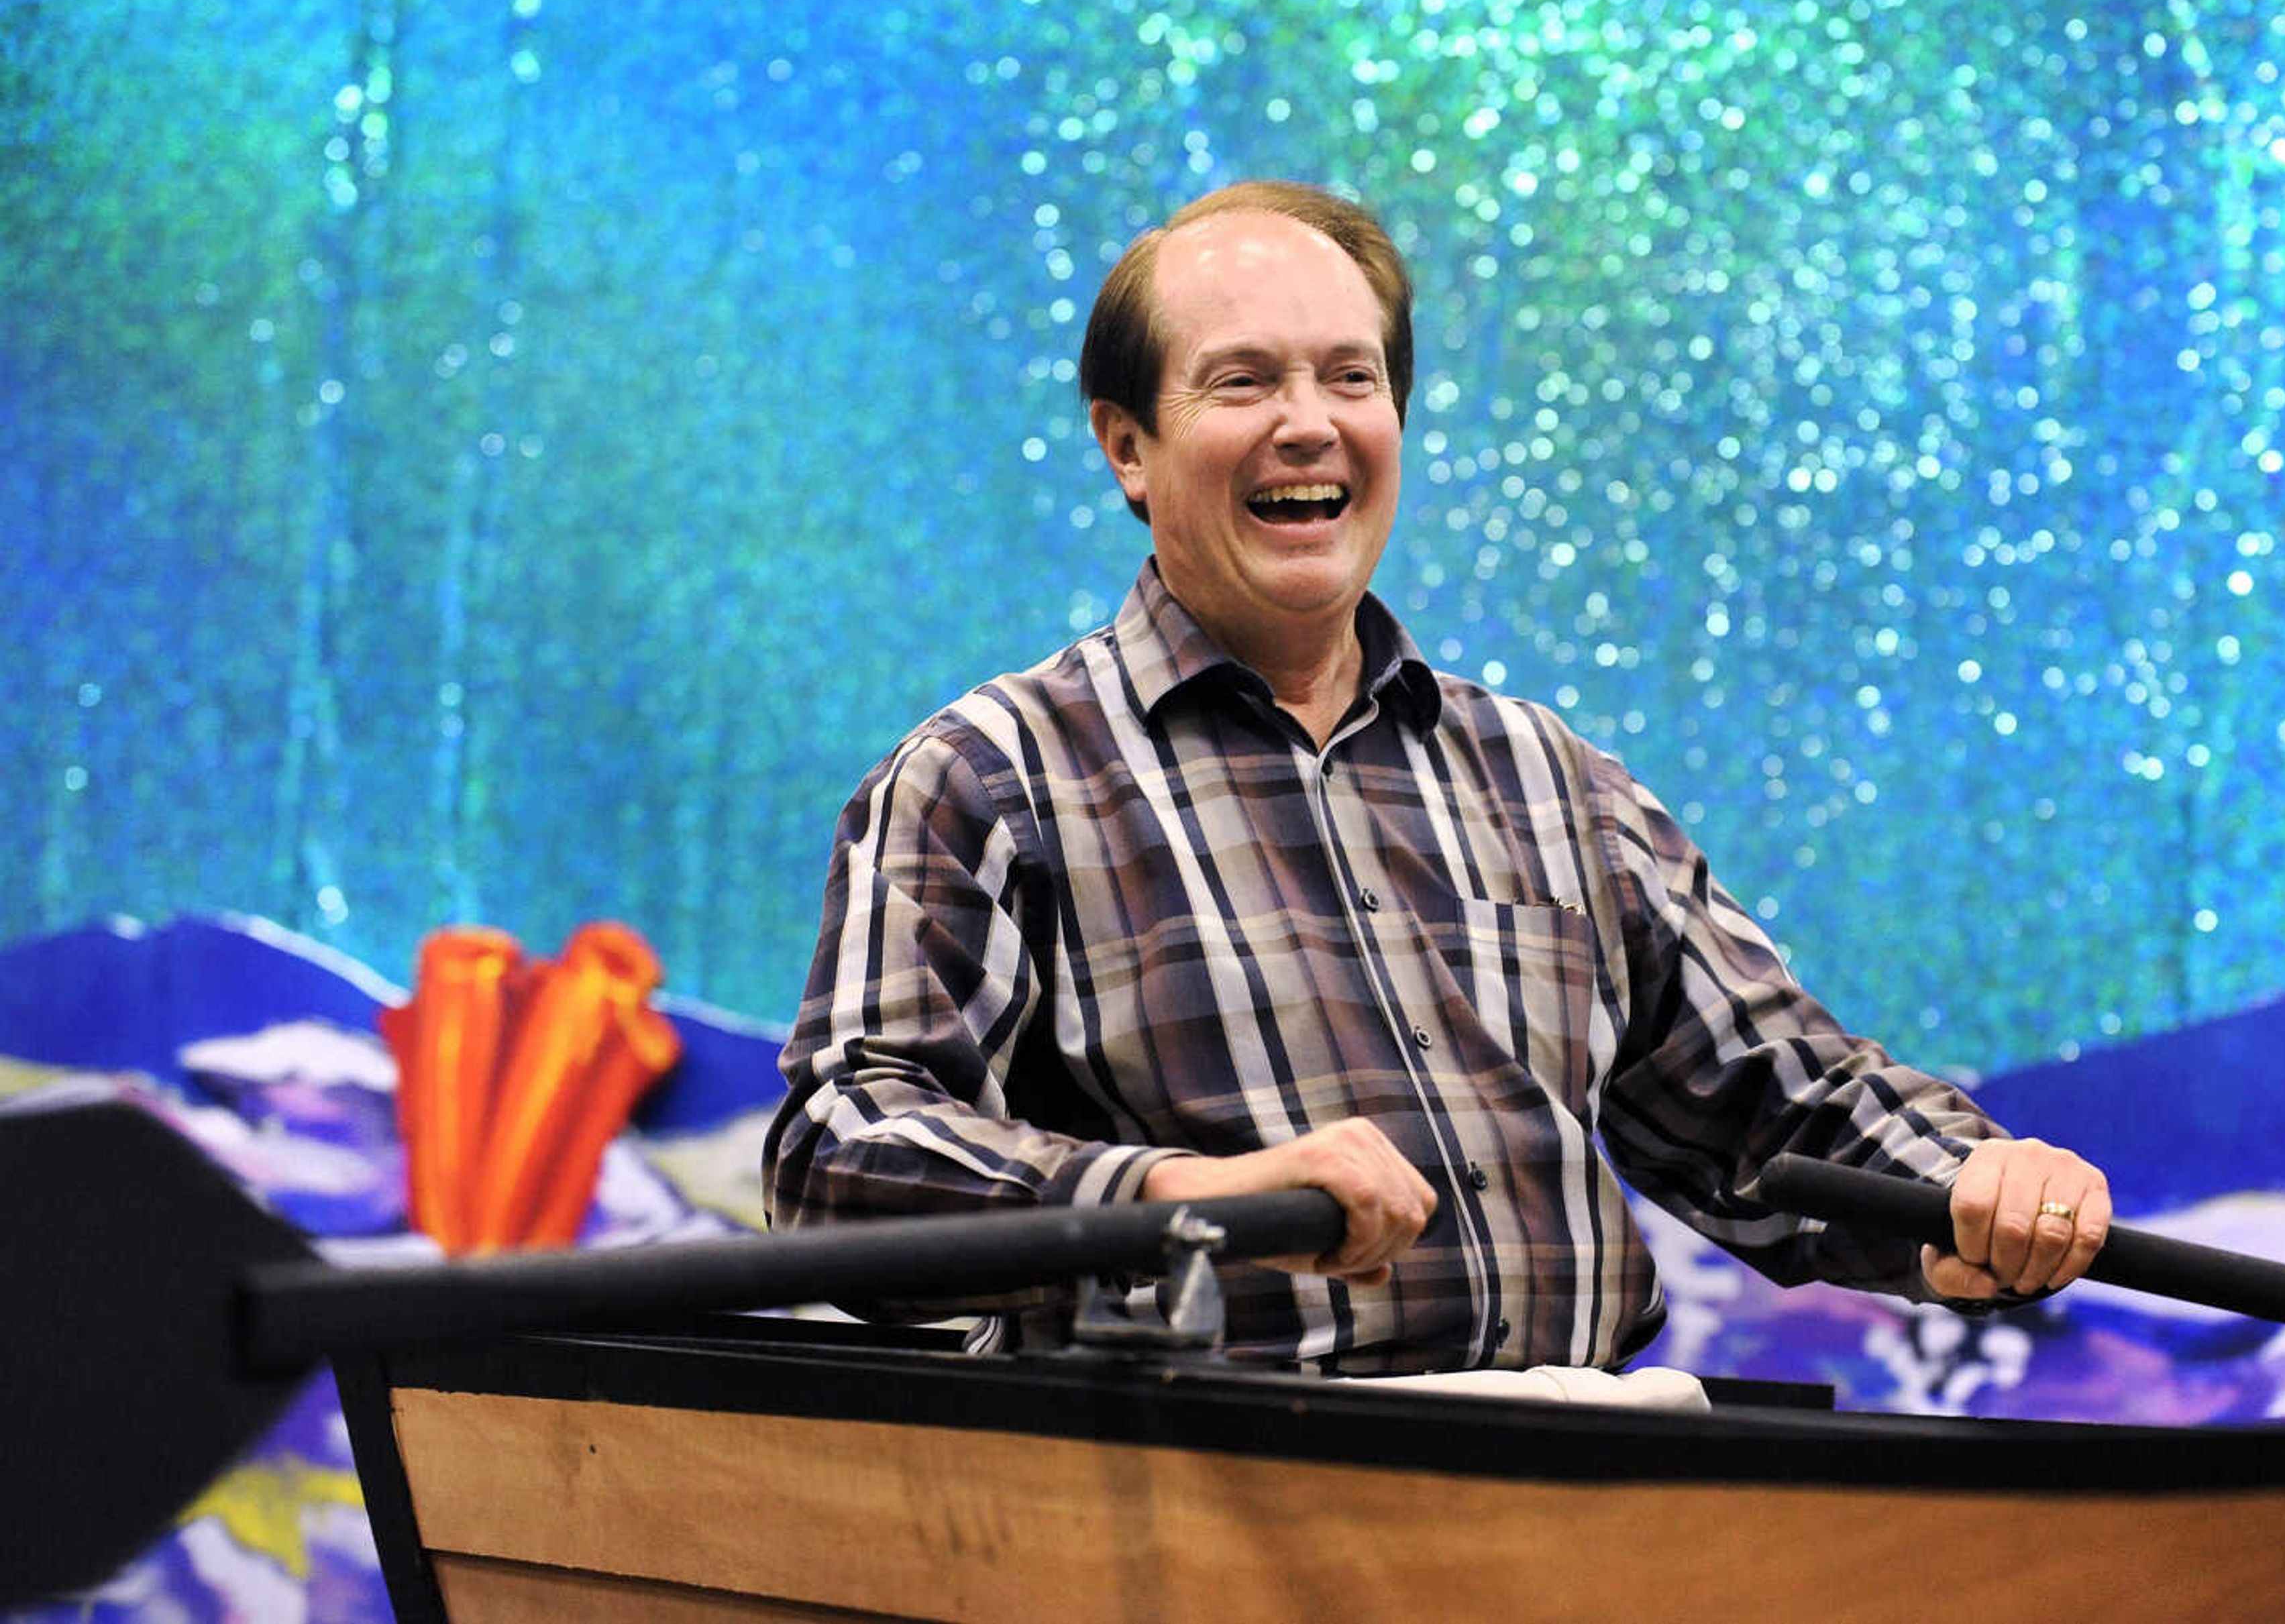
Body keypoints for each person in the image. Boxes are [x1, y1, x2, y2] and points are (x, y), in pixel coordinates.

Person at [763, 179, 2110, 1378]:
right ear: (1128, 446)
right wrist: (1181, 1195)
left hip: (1600, 1510)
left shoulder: (1553, 783)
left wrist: (1973, 1187)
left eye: (1351, 379)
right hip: (1218, 1520)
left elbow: (1778, 1108)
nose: (1311, 426)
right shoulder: (988, 778)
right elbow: (835, 1160)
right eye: (1243, 383)